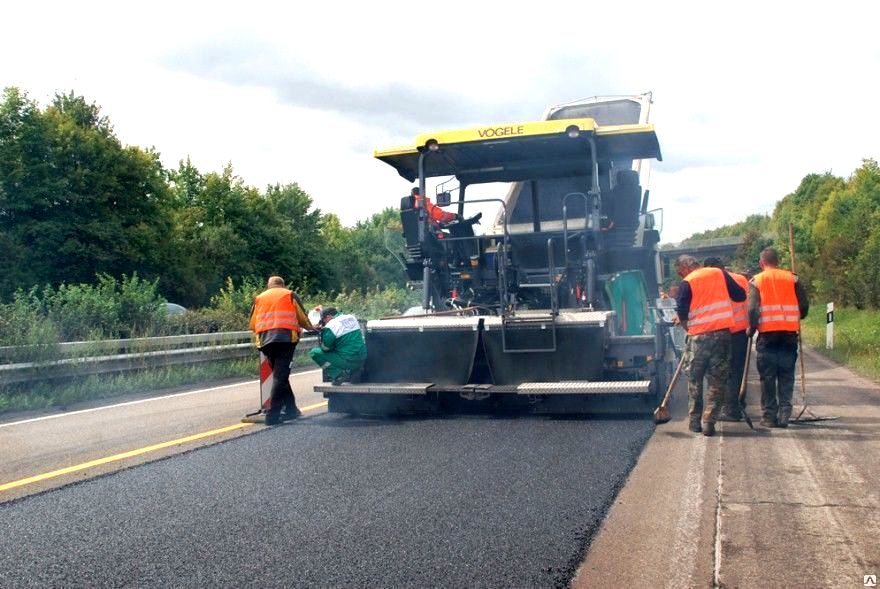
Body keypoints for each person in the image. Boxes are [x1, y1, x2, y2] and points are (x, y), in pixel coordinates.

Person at [675, 255, 746, 436]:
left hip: (698, 337)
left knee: (694, 379)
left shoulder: (687, 282)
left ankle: (694, 422)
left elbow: (682, 312)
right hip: (722, 336)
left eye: (680, 272)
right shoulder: (719, 273)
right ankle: (709, 421)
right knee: (717, 380)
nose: (680, 276)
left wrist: (688, 329)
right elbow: (740, 295)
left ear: (686, 267)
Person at [748, 247, 809, 428]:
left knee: (767, 377)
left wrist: (751, 328)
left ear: (761, 263)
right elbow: (804, 306)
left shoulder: (756, 281)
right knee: (786, 375)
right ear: (778, 261)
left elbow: (752, 309)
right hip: (789, 335)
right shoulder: (793, 278)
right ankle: (784, 415)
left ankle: (769, 417)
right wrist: (797, 317)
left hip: (767, 336)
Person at [248, 276, 315, 425]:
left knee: (280, 375)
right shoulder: (289, 294)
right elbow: (302, 317)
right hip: (285, 340)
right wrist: (311, 327)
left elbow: (252, 323)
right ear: (282, 285)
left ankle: (291, 410)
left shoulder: (259, 298)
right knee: (280, 377)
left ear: (268, 286)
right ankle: (272, 416)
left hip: (265, 341)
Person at [704, 257, 750, 421]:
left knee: (720, 371)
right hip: (741, 331)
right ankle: (737, 403)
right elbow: (748, 302)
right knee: (737, 370)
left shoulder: (712, 281)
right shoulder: (741, 279)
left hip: (721, 331)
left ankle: (729, 409)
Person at [309, 307, 367, 385]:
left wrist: (324, 333)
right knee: (348, 347)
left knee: (314, 352)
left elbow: (326, 348)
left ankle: (338, 375)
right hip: (362, 358)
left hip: (348, 360)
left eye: (323, 320)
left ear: (328, 317)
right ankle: (356, 371)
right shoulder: (351, 317)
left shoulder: (330, 326)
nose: (324, 323)